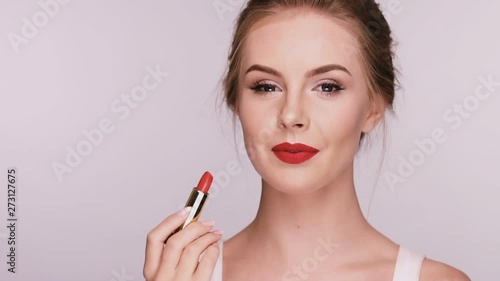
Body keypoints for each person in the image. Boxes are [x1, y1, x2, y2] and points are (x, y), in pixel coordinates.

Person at [143, 0, 471, 280]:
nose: (291, 115)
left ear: (373, 108)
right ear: (236, 103)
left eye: (327, 86)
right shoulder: (185, 276)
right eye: (266, 86)